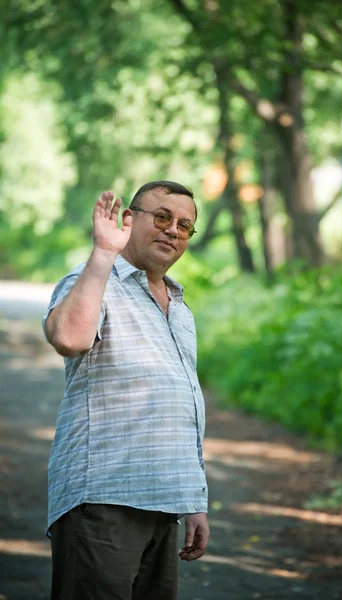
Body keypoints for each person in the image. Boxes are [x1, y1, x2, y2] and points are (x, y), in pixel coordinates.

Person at [43, 181, 209, 600]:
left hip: (165, 502)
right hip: (103, 498)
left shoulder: (180, 307)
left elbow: (182, 407)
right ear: (128, 219)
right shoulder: (93, 282)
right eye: (162, 217)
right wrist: (103, 254)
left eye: (185, 225)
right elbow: (68, 337)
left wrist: (195, 499)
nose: (173, 230)